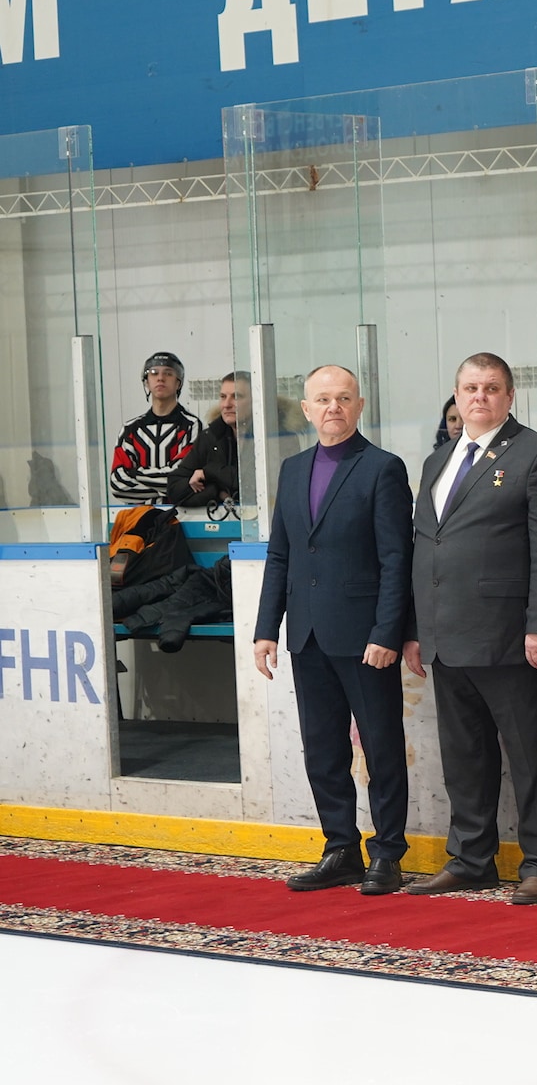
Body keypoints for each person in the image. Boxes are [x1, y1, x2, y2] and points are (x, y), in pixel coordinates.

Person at [403, 353, 537, 905]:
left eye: (491, 388)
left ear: (509, 396)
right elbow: (425, 547)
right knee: (465, 757)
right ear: (457, 396)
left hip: (511, 637)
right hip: (446, 635)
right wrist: (416, 628)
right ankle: (471, 859)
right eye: (471, 388)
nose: (480, 397)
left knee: (532, 756)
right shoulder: (437, 461)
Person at [254, 365, 414, 895]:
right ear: (306, 409)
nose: (333, 407)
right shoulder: (292, 470)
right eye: (322, 399)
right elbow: (281, 555)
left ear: (359, 405)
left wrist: (387, 632)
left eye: (343, 398)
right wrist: (266, 628)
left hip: (365, 637)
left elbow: (397, 559)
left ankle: (387, 853)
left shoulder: (382, 468)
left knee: (381, 747)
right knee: (322, 750)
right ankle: (340, 848)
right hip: (307, 635)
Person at [110, 351, 204, 504]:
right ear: (146, 382)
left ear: (178, 383)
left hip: (182, 514)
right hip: (140, 516)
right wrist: (168, 490)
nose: (160, 378)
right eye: (154, 373)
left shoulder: (192, 426)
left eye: (168, 373)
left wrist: (134, 474)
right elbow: (117, 484)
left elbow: (183, 475)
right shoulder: (130, 430)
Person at [167, 372, 245, 507]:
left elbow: (256, 483)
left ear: (257, 400)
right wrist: (216, 491)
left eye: (236, 397)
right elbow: (174, 488)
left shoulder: (275, 437)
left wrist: (209, 472)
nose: (226, 404)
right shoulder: (210, 436)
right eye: (223, 397)